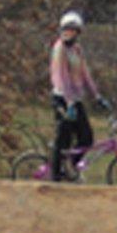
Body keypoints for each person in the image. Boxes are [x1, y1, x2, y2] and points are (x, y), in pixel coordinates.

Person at [48, 10, 100, 181]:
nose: (69, 33)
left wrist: (96, 94)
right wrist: (68, 101)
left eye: (73, 30)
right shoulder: (59, 48)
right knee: (63, 138)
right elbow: (58, 76)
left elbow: (85, 73)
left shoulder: (77, 49)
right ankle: (55, 175)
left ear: (78, 33)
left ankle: (71, 164)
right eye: (67, 29)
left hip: (75, 99)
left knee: (86, 137)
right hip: (62, 98)